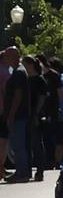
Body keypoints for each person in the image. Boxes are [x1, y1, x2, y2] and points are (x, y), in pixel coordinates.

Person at [3, 47, 31, 183]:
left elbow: (18, 95)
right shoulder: (17, 71)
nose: (5, 59)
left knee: (18, 145)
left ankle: (22, 172)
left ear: (14, 57)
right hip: (18, 114)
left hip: (18, 115)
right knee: (18, 144)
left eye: (7, 56)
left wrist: (11, 114)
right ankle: (22, 171)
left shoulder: (19, 72)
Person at [22, 55, 48, 182]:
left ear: (30, 65)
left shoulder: (39, 80)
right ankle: (27, 170)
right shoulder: (27, 79)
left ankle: (40, 170)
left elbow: (42, 98)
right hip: (26, 114)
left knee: (37, 143)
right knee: (28, 144)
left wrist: (36, 114)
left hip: (35, 115)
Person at [0, 48, 14, 181]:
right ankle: (1, 168)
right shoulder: (5, 73)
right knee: (3, 142)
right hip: (3, 110)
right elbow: (7, 93)